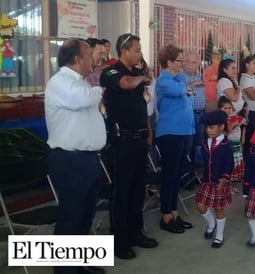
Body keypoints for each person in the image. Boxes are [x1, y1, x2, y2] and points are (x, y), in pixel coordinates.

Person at [45, 38, 107, 274]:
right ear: (76, 59)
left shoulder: (80, 83)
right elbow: (83, 100)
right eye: (89, 54)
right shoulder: (60, 82)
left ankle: (80, 264)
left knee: (85, 215)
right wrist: (101, 87)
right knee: (70, 218)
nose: (94, 58)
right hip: (70, 160)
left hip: (87, 159)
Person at [100, 34, 158, 260]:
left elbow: (140, 106)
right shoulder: (111, 72)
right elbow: (125, 84)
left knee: (137, 189)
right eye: (137, 50)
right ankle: (119, 240)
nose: (140, 54)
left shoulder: (136, 74)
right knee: (121, 192)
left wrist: (148, 130)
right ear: (125, 50)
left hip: (140, 138)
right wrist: (141, 77)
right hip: (121, 141)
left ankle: (136, 232)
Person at [155, 44, 195, 233]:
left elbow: (186, 92)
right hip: (170, 132)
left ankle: (174, 211)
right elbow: (180, 91)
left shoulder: (179, 78)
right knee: (169, 175)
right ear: (169, 62)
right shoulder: (163, 80)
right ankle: (166, 214)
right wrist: (185, 87)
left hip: (185, 131)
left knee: (178, 174)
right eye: (179, 60)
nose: (182, 63)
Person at [196, 110, 234, 248]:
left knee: (218, 208)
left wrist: (224, 178)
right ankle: (211, 223)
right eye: (207, 128)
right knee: (200, 205)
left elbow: (229, 163)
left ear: (221, 127)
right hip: (207, 180)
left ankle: (219, 235)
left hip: (219, 182)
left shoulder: (225, 145)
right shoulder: (205, 143)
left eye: (212, 128)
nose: (208, 131)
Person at [180, 51, 206, 164]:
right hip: (187, 114)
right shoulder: (179, 76)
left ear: (198, 64)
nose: (191, 64)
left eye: (194, 62)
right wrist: (194, 84)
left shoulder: (201, 76)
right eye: (188, 61)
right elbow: (181, 91)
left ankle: (198, 172)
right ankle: (186, 171)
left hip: (201, 114)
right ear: (183, 63)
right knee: (187, 143)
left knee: (199, 143)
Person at [218, 96, 248, 183]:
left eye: (230, 108)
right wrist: (231, 127)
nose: (228, 110)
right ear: (220, 109)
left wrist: (243, 136)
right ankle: (228, 180)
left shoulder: (237, 117)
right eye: (225, 108)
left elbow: (245, 123)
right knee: (229, 161)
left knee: (237, 159)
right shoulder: (220, 120)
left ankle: (234, 179)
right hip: (227, 143)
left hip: (237, 142)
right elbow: (223, 133)